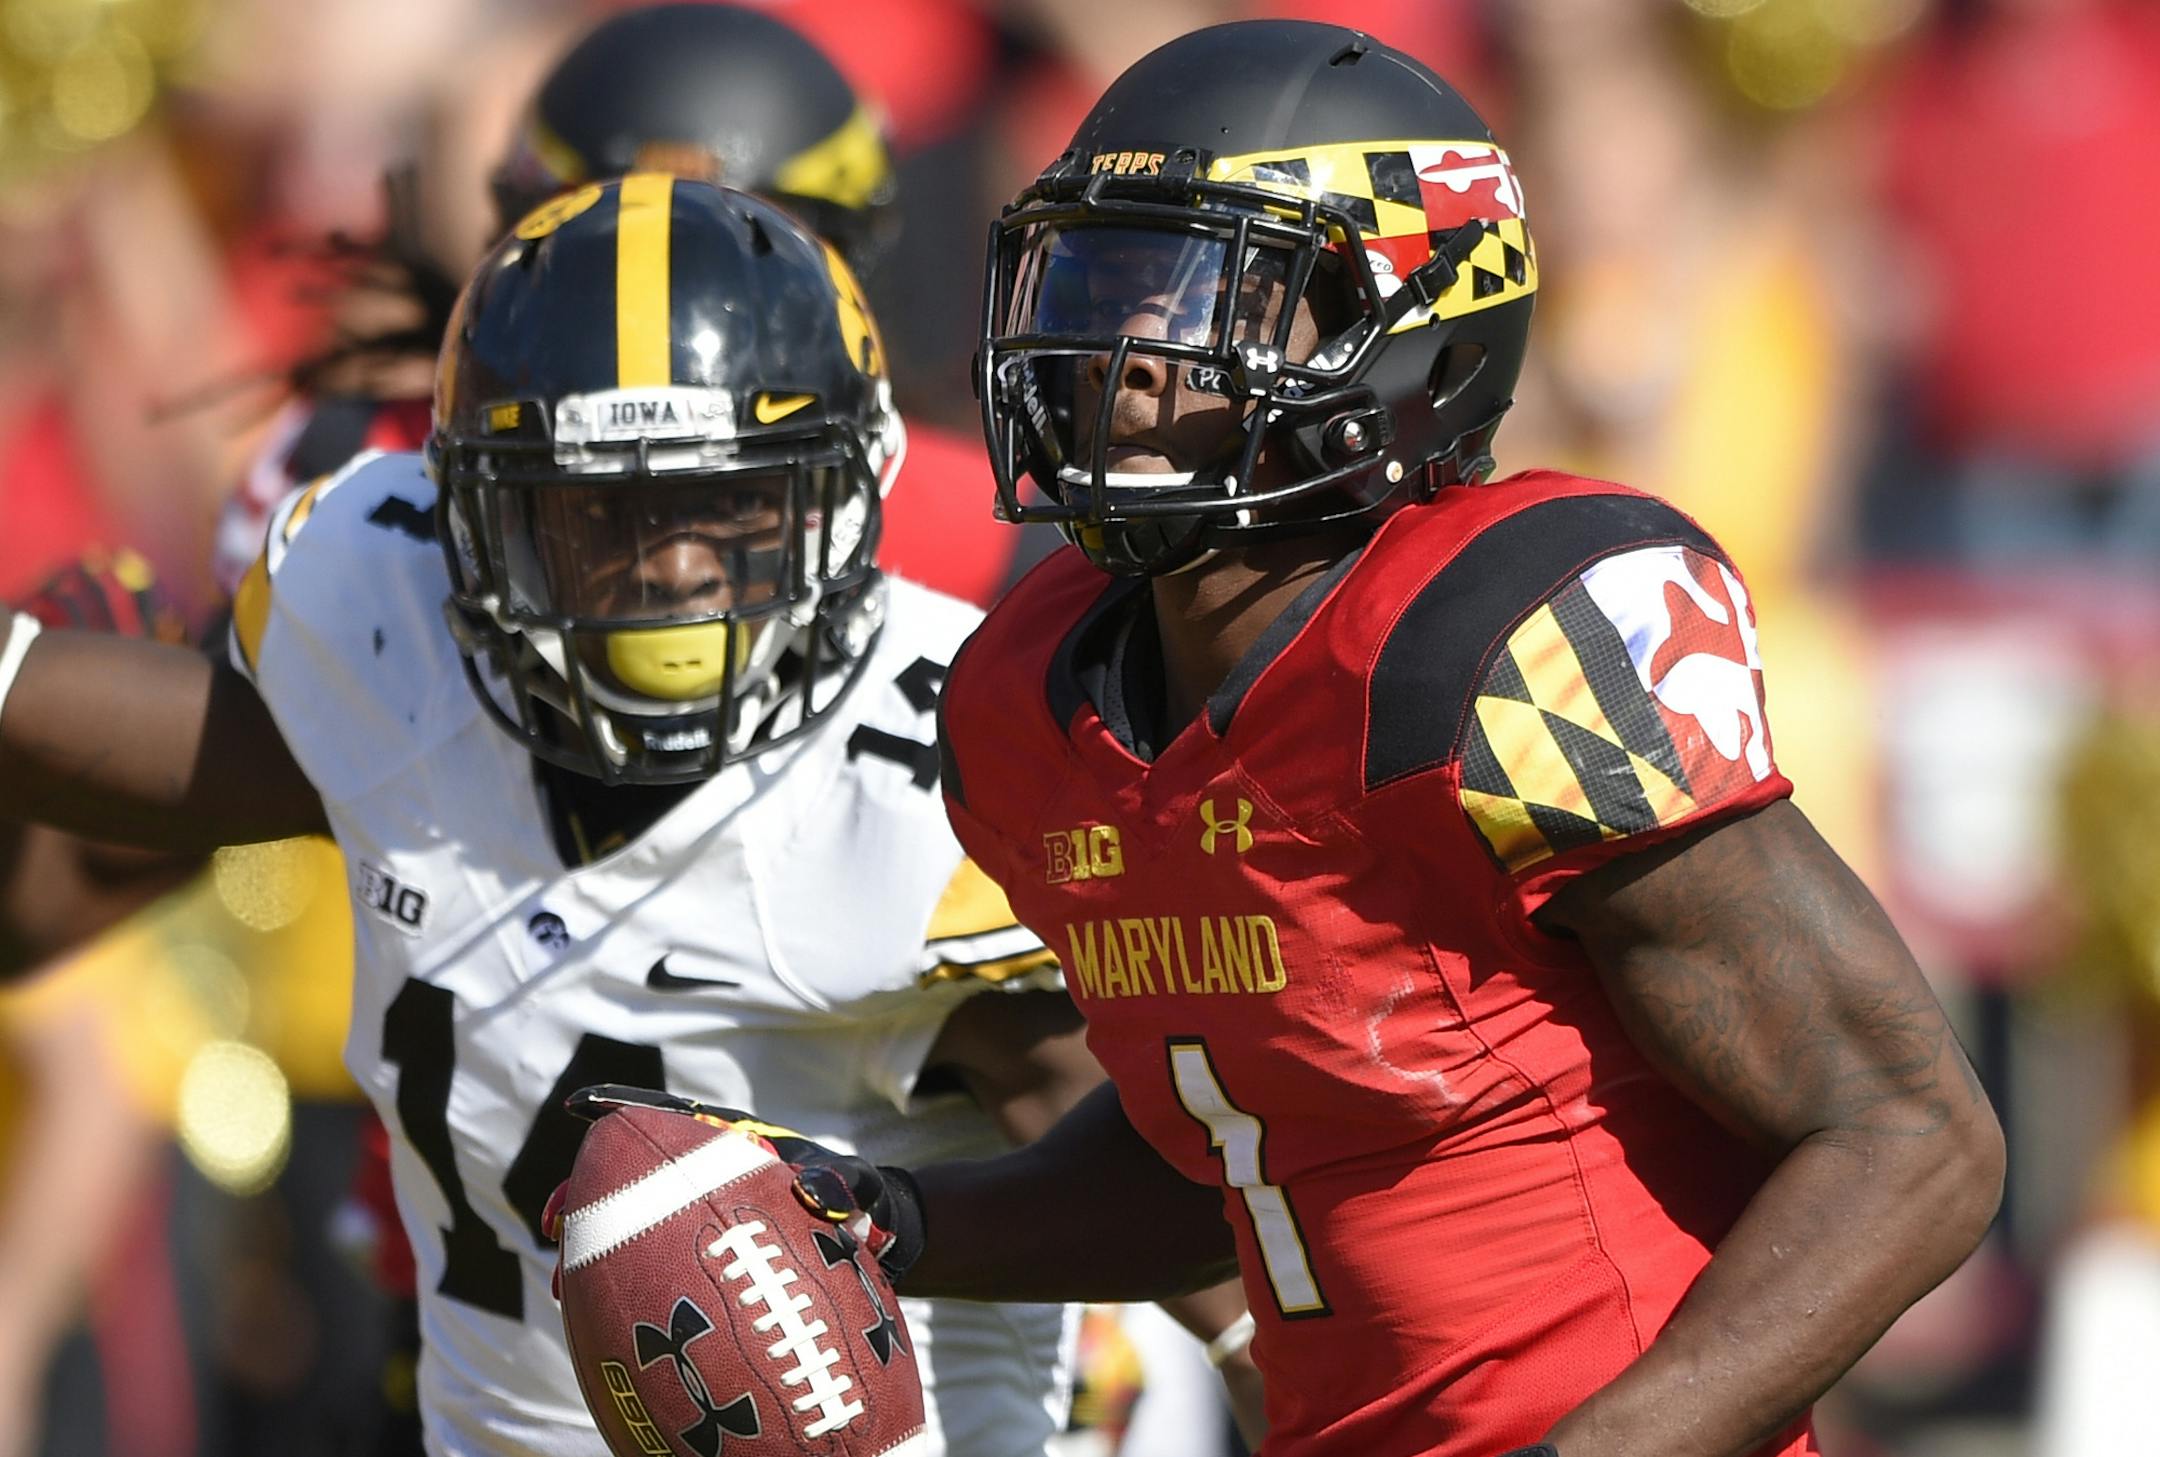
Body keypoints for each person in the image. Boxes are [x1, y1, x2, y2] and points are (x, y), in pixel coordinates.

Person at [673, 20, 2005, 1457]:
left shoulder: (1500, 650)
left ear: (1411, 320)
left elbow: (1910, 1136)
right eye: (1103, 283)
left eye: (1207, 293)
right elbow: (1249, 1139)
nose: (1125, 353)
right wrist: (901, 1223)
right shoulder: (1033, 696)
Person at [0, 177, 1241, 1456]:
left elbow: (1207, 1223)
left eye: (728, 503)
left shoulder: (940, 776)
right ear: (474, 518)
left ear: (845, 489)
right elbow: (120, 752)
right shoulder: (392, 643)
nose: (675, 565)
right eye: (603, 509)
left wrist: (895, 1228)